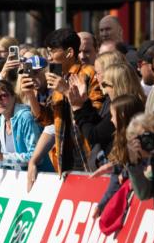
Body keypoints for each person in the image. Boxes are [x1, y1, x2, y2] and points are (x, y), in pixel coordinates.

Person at [28, 28, 104, 173]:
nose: (49, 57)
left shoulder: (89, 73)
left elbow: (97, 116)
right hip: (64, 161)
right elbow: (49, 121)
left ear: (69, 52)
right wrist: (30, 95)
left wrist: (66, 91)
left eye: (52, 52)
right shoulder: (58, 77)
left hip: (89, 160)